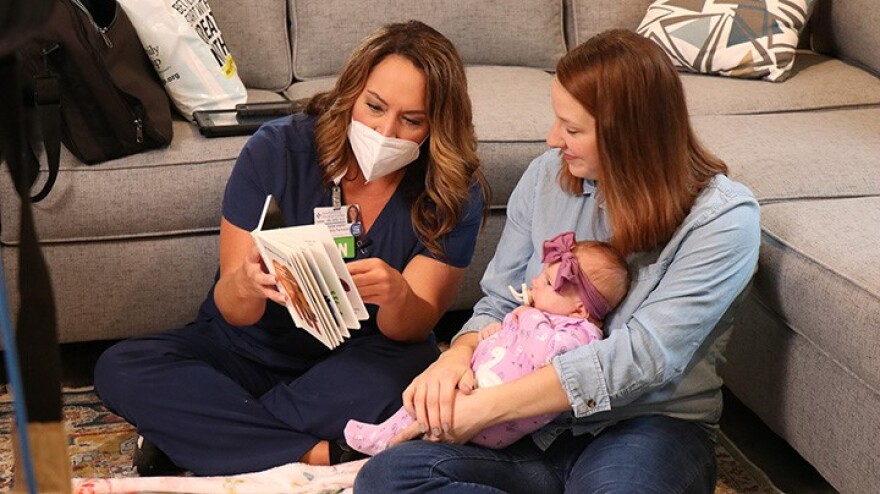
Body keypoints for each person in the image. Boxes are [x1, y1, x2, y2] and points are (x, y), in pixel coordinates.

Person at [354, 28, 761, 493]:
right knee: (388, 477)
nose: (552, 140)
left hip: (642, 428)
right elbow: (497, 304)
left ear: (629, 136)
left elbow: (643, 358)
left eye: (571, 130)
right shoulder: (547, 176)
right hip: (527, 432)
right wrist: (456, 358)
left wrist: (485, 409)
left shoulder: (722, 219)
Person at [93, 20, 489, 477]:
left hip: (356, 359)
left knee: (415, 364)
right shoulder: (278, 148)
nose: (385, 130)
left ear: (438, 125)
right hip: (247, 348)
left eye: (412, 120)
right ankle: (321, 454)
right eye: (375, 107)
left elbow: (410, 327)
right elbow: (232, 311)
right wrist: (246, 282)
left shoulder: (453, 190)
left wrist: (398, 295)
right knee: (121, 366)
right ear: (352, 92)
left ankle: (193, 434)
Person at [344, 232, 630, 455]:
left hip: (495, 419)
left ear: (580, 310)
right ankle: (389, 436)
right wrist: (496, 332)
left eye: (546, 281)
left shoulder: (581, 334)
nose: (534, 282)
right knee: (431, 391)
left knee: (438, 413)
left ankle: (388, 442)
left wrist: (528, 316)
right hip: (482, 383)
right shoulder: (550, 317)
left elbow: (548, 355)